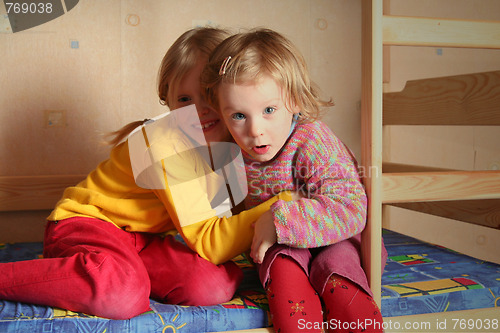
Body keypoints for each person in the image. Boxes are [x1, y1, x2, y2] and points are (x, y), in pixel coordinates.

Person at [0, 27, 293, 320]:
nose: (199, 111)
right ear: (165, 98)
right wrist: (287, 203)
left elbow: (236, 212)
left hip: (140, 239)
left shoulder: (230, 142)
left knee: (213, 285)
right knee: (122, 296)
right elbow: (210, 242)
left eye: (208, 96)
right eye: (184, 100)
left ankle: (118, 271)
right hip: (86, 225)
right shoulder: (165, 144)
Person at [202, 28, 386, 332]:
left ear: (296, 101)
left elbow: (352, 208)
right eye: (238, 115)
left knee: (337, 274)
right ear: (222, 114)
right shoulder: (229, 152)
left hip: (338, 237)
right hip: (281, 245)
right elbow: (226, 211)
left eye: (269, 110)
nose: (255, 129)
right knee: (283, 273)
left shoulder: (312, 140)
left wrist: (278, 221)